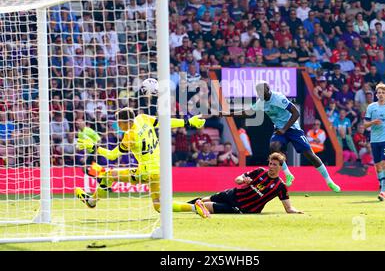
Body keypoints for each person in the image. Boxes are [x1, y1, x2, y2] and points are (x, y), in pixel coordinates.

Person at [75, 100, 211, 218]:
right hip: (160, 168)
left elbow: (112, 155)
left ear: (126, 122)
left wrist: (93, 147)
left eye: (119, 123)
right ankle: (195, 207)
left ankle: (91, 202)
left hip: (146, 172)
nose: (118, 125)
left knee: (108, 175)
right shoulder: (142, 118)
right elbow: (165, 122)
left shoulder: (130, 136)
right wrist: (188, 121)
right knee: (159, 206)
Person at [219, 82, 341, 192]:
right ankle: (288, 174)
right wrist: (227, 113)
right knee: (274, 147)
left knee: (309, 154)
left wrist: (284, 129)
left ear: (268, 89)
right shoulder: (261, 102)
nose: (260, 94)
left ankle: (329, 181)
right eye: (258, 92)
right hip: (279, 129)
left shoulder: (278, 98)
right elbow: (247, 112)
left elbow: (296, 113)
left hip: (293, 128)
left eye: (261, 92)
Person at [189, 152, 303, 214]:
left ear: (280, 167)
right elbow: (237, 179)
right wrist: (243, 180)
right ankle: (175, 207)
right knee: (203, 200)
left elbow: (288, 208)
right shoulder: (259, 171)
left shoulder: (280, 186)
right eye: (270, 163)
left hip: (242, 207)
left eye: (275, 164)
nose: (271, 166)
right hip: (232, 194)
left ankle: (183, 208)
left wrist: (297, 212)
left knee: (204, 205)